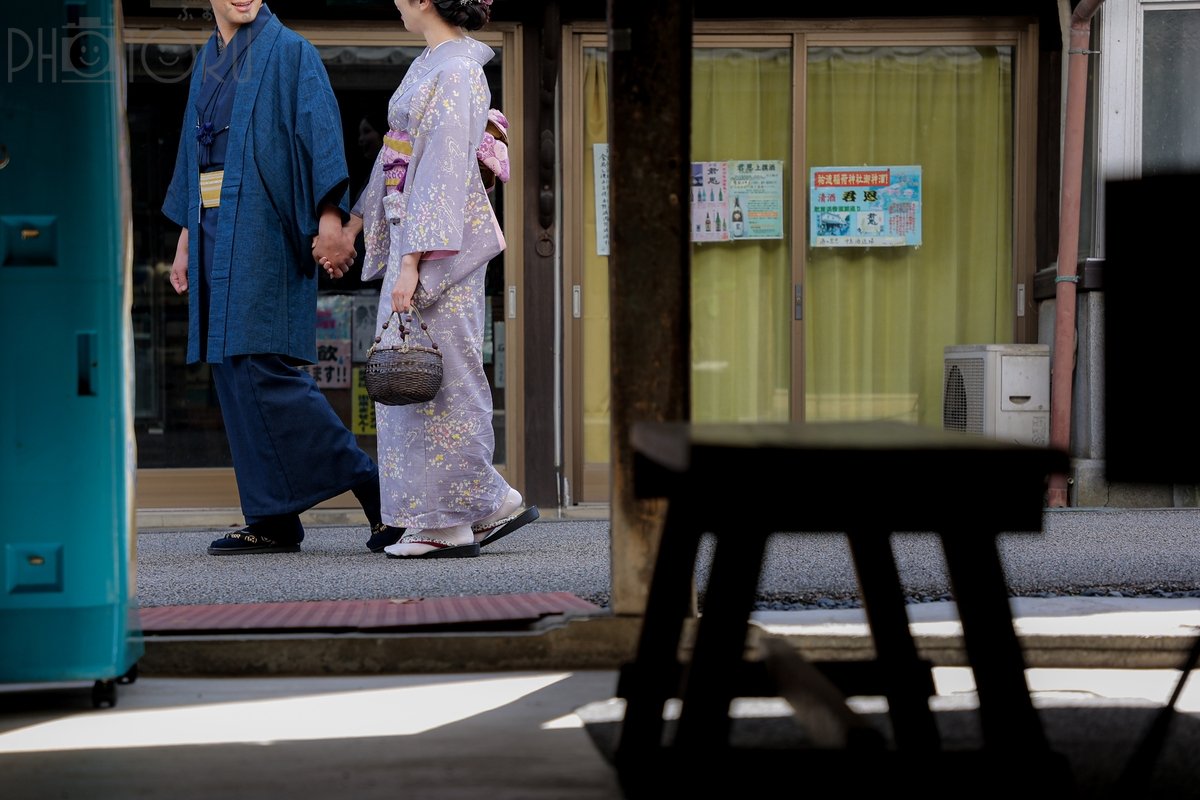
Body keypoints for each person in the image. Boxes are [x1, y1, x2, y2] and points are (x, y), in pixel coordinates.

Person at [162, 0, 399, 555]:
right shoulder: (205, 61)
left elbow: (318, 138)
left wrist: (330, 220)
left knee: (262, 361)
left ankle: (369, 481)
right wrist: (186, 236)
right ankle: (272, 516)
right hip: (214, 224)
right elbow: (193, 158)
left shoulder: (291, 52)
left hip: (265, 225)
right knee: (231, 368)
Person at [324, 0, 536, 559]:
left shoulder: (457, 68)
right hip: (416, 234)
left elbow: (443, 166)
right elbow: (396, 157)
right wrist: (360, 222)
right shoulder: (436, 62)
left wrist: (415, 259)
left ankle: (445, 521)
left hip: (438, 248)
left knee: (441, 377)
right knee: (420, 378)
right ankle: (478, 504)